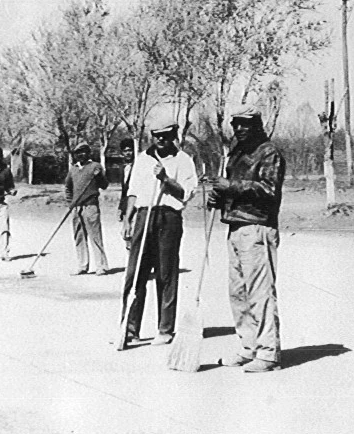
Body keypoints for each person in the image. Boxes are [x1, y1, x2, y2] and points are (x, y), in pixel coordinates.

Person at [209, 109, 286, 373]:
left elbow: (268, 190)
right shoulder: (236, 152)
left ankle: (268, 353)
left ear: (257, 125)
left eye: (245, 125)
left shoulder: (268, 152)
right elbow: (233, 189)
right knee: (238, 292)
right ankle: (248, 347)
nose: (240, 129)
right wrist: (219, 197)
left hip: (257, 227)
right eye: (236, 125)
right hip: (235, 225)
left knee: (259, 292)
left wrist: (230, 186)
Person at [120, 123, 197, 346]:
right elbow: (133, 192)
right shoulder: (142, 159)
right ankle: (129, 327)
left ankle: (165, 328)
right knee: (135, 274)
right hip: (144, 216)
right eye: (156, 136)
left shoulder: (183, 160)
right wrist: (127, 219)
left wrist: (165, 179)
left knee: (166, 274)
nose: (161, 140)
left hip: (168, 216)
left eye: (165, 136)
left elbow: (185, 193)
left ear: (173, 136)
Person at [65, 144, 110, 275]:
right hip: (76, 208)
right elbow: (68, 188)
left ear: (89, 153)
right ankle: (82, 265)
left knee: (95, 237)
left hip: (91, 207)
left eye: (84, 152)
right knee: (79, 237)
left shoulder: (95, 167)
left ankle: (101, 266)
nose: (81, 155)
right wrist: (70, 203)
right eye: (78, 153)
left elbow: (105, 185)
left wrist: (99, 176)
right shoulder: (73, 169)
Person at [118, 138, 135, 250]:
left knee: (135, 234)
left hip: (136, 205)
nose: (128, 153)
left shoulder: (138, 166)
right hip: (125, 206)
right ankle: (130, 264)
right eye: (125, 151)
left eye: (130, 150)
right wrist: (120, 208)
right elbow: (124, 191)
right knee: (126, 234)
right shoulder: (124, 168)